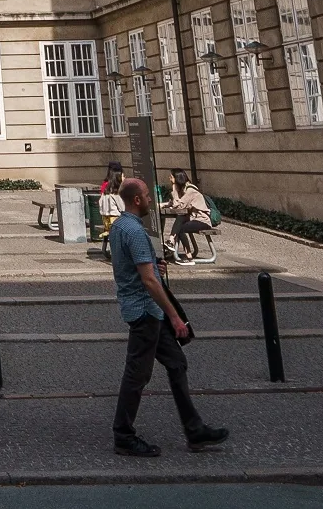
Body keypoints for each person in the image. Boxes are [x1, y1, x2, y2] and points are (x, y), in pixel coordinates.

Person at [107, 176, 226, 458]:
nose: (151, 199)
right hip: (145, 312)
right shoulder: (134, 232)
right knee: (137, 374)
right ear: (137, 200)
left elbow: (139, 267)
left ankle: (194, 430)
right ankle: (123, 436)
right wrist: (174, 317)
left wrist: (154, 265)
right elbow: (148, 280)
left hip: (146, 310)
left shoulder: (120, 226)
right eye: (147, 195)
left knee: (176, 363)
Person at [163, 174, 216, 263]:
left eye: (171, 177)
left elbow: (178, 206)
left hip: (202, 220)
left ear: (177, 178)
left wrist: (174, 188)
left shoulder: (190, 190)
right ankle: (171, 242)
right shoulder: (184, 189)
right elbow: (176, 204)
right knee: (181, 218)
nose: (169, 179)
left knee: (180, 228)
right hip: (193, 218)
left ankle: (189, 257)